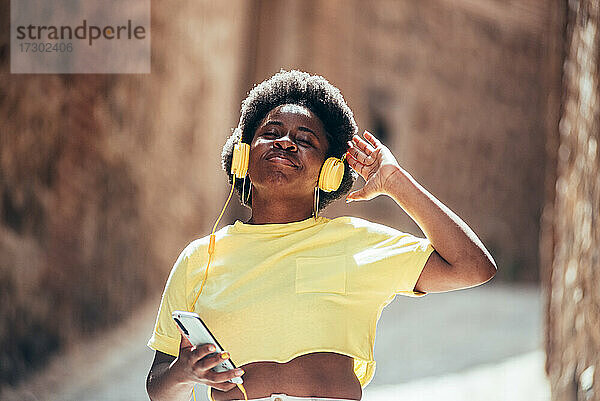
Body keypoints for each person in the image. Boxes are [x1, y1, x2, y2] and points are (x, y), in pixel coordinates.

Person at [145, 70, 497, 401]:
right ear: (242, 156)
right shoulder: (198, 258)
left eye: (305, 140)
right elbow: (158, 385)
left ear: (329, 172)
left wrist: (395, 182)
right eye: (270, 133)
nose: (284, 143)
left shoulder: (359, 243)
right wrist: (183, 372)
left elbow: (472, 267)